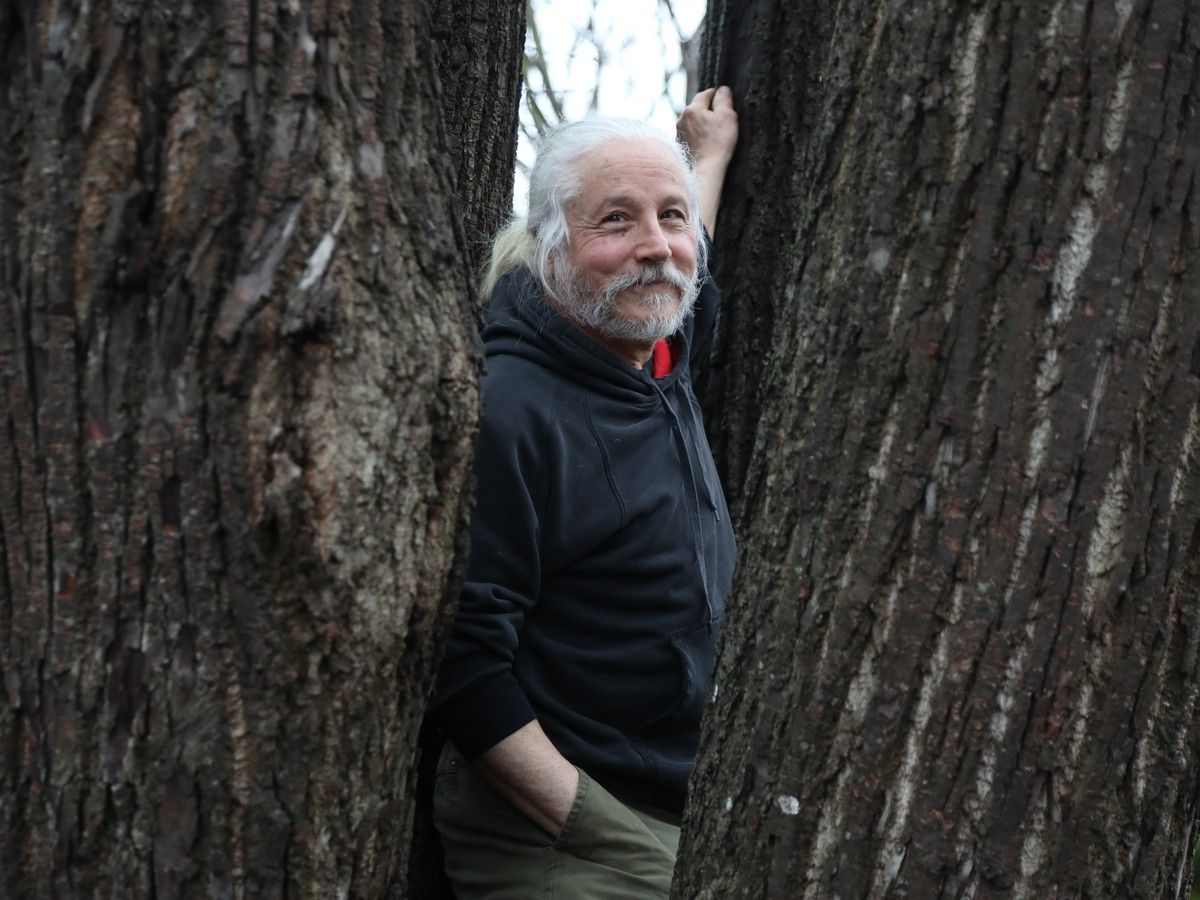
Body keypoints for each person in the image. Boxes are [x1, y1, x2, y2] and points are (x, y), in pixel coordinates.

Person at [431, 86, 739, 898]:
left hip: (675, 806)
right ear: (550, 245)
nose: (655, 247)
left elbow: (682, 263)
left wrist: (706, 158)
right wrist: (587, 826)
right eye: (615, 221)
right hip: (559, 830)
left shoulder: (646, 348)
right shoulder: (508, 411)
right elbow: (461, 664)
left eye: (669, 217)